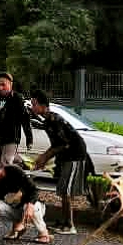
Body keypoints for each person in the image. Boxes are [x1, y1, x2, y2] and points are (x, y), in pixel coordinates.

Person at [30, 89, 88, 235]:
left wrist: (45, 157)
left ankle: (70, 225)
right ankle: (64, 222)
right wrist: (44, 158)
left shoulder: (55, 120)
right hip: (65, 156)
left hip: (74, 155)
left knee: (66, 190)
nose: (32, 107)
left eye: (34, 104)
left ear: (43, 106)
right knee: (62, 189)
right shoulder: (47, 121)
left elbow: (64, 143)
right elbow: (56, 145)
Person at [0, 72, 33, 168]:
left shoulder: (17, 98)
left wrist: (29, 139)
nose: (0, 87)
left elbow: (25, 119)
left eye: (3, 84)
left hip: (11, 136)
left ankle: (14, 167)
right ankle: (18, 162)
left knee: (5, 162)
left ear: (10, 84)